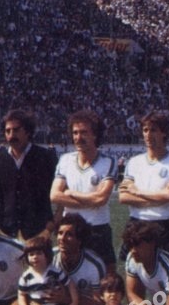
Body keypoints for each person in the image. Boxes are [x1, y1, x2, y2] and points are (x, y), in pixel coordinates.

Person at [50, 109, 118, 272]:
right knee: (67, 277)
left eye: (84, 132)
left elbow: (101, 199)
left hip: (98, 229)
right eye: (75, 133)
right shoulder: (65, 160)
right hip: (70, 230)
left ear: (95, 135)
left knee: (107, 276)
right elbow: (54, 195)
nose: (78, 137)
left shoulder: (108, 161)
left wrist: (71, 193)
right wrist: (91, 200)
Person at [118, 112, 169, 259]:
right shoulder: (134, 162)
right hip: (136, 223)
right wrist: (160, 198)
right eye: (145, 130)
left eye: (153, 130)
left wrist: (137, 192)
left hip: (164, 225)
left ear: (164, 133)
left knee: (168, 270)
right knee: (133, 269)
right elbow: (123, 197)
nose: (148, 135)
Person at [0, 109, 59, 242]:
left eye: (16, 130)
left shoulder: (45, 158)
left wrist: (49, 228)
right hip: (7, 232)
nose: (11, 135)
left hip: (39, 232)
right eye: (8, 131)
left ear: (28, 131)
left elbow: (59, 196)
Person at [50, 214, 107, 305]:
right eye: (60, 233)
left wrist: (67, 298)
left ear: (80, 240)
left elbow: (100, 302)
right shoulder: (49, 258)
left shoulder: (94, 264)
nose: (62, 238)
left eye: (69, 234)